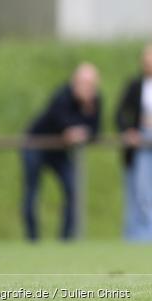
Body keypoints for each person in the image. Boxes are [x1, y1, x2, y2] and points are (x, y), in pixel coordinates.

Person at [22, 63, 101, 241]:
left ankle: (65, 239)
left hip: (59, 153)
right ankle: (32, 239)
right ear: (75, 82)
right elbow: (59, 119)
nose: (88, 88)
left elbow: (95, 129)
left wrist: (84, 128)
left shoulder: (95, 101)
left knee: (73, 188)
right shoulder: (62, 95)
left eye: (91, 85)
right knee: (32, 192)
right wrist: (72, 129)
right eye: (84, 83)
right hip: (36, 145)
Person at [116, 44, 152, 242]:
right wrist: (129, 131)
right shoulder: (136, 85)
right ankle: (137, 233)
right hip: (143, 140)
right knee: (140, 188)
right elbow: (121, 113)